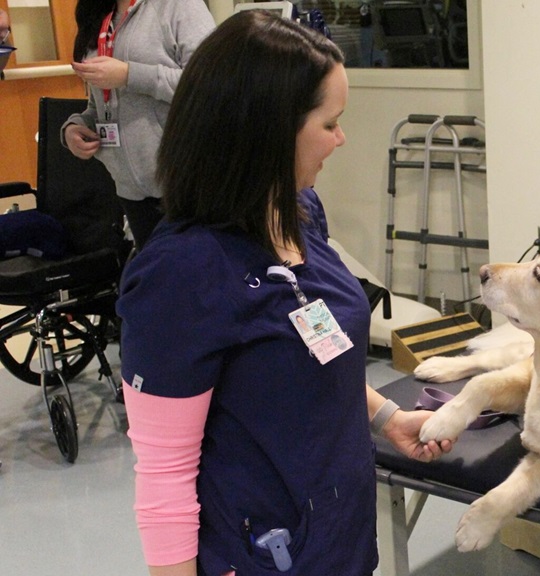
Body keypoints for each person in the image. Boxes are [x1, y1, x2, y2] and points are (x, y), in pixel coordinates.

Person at [117, 11, 452, 576]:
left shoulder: (297, 212)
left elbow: (316, 344)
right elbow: (163, 477)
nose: (341, 139)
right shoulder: (182, 275)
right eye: (330, 123)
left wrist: (387, 417)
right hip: (261, 554)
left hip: (337, 536)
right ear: (267, 129)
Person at [61, 0, 214, 250]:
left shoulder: (179, 5)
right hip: (130, 190)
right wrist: (75, 126)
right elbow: (100, 103)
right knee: (155, 282)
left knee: (193, 280)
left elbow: (210, 83)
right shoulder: (98, 11)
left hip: (185, 186)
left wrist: (130, 75)